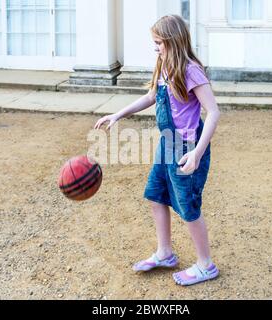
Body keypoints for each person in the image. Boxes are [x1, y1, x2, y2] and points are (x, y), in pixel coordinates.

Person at [94, 15, 221, 286]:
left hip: (186, 148)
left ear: (173, 42)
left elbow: (213, 112)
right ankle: (164, 253)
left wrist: (197, 153)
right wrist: (118, 114)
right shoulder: (163, 65)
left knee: (188, 207)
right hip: (167, 145)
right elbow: (152, 97)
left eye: (158, 43)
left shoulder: (191, 71)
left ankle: (206, 265)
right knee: (156, 195)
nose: (155, 48)